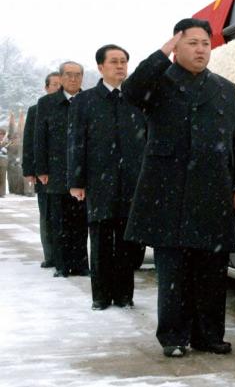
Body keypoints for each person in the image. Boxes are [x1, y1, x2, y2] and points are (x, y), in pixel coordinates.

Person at [122, 18, 235, 357]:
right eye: (191, 43)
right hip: (169, 191)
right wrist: (161, 53)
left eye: (205, 43)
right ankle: (174, 337)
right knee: (174, 271)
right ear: (176, 47)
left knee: (212, 270)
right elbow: (131, 91)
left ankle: (208, 335)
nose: (200, 49)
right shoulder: (158, 83)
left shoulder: (225, 89)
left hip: (213, 190)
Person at [68, 45, 147, 310]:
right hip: (99, 181)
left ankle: (124, 294)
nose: (120, 66)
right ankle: (101, 296)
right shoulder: (85, 101)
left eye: (124, 61)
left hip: (132, 180)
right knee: (101, 240)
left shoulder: (137, 99)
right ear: (100, 67)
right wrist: (76, 181)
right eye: (114, 61)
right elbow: (76, 142)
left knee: (128, 241)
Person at [34, 61, 89, 278]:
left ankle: (81, 263)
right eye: (69, 75)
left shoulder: (88, 100)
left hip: (82, 171)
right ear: (62, 77)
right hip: (57, 170)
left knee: (81, 222)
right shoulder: (46, 103)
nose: (73, 79)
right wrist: (41, 168)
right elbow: (40, 139)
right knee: (59, 221)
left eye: (78, 75)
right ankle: (62, 264)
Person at [22, 72, 62, 267]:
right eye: (54, 84)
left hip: (66, 172)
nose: (58, 88)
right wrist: (30, 169)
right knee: (47, 215)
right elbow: (30, 142)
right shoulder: (36, 109)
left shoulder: (74, 107)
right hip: (45, 172)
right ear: (46, 88)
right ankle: (51, 255)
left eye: (60, 84)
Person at [0, 127, 8, 197]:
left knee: (3, 178)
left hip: (3, 163)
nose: (1, 135)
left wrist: (5, 150)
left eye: (2, 134)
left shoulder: (6, 142)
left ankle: (2, 193)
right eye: (0, 134)